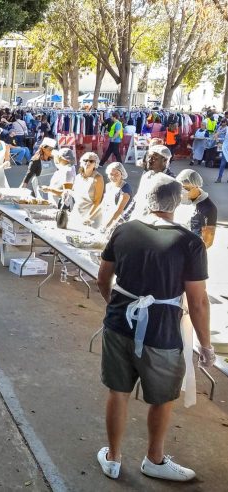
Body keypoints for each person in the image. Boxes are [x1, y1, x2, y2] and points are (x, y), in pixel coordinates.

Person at [95, 173, 214, 483]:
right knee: (162, 398)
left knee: (118, 392)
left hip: (119, 324)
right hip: (161, 333)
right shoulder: (189, 243)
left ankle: (113, 457)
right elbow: (198, 302)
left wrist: (115, 305)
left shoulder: (124, 231)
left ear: (147, 199)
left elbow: (102, 278)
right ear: (178, 203)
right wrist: (206, 346)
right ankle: (155, 459)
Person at [127, 145, 174, 221]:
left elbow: (167, 211)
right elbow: (138, 198)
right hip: (138, 218)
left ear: (165, 160)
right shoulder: (147, 174)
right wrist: (123, 218)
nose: (149, 160)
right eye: (149, 157)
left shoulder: (170, 181)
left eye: (154, 158)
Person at [174, 169, 217, 248]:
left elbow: (207, 242)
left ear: (196, 186)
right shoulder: (180, 200)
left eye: (186, 188)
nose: (182, 192)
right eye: (180, 188)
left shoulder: (208, 209)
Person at [70, 152, 105, 228]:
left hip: (91, 215)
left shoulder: (98, 178)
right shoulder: (78, 176)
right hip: (77, 212)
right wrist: (67, 192)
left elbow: (97, 201)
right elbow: (76, 194)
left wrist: (88, 217)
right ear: (82, 162)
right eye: (85, 160)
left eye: (91, 161)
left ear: (95, 164)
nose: (88, 162)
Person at [100, 162, 132, 231]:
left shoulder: (125, 190)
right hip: (108, 216)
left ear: (122, 174)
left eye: (117, 174)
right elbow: (103, 204)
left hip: (120, 221)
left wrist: (106, 226)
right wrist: (91, 218)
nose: (114, 177)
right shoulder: (108, 185)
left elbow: (119, 211)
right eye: (111, 174)